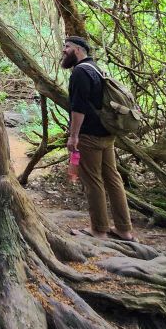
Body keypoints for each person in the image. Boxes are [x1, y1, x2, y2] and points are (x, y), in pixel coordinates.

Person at [61, 35, 135, 241]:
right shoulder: (96, 68)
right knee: (113, 178)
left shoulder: (80, 72)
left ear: (77, 49)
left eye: (66, 47)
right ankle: (124, 229)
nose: (63, 51)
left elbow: (79, 108)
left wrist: (73, 136)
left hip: (90, 135)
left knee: (93, 181)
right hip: (107, 133)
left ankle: (99, 230)